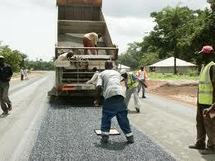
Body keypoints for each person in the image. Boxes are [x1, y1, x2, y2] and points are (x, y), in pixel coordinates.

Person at [96, 61, 134, 144]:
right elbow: (123, 78)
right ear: (112, 66)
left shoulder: (101, 74)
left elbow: (98, 86)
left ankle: (105, 137)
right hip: (120, 94)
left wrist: (98, 99)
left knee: (106, 116)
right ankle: (130, 137)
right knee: (123, 117)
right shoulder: (117, 73)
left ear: (105, 66)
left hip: (110, 94)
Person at [189, 45, 215, 155]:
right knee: (199, 123)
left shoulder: (212, 67)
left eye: (202, 54)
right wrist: (198, 101)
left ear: (208, 54)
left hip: (209, 103)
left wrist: (213, 106)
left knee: (210, 125)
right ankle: (200, 143)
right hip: (201, 102)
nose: (201, 56)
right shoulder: (204, 66)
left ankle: (212, 146)